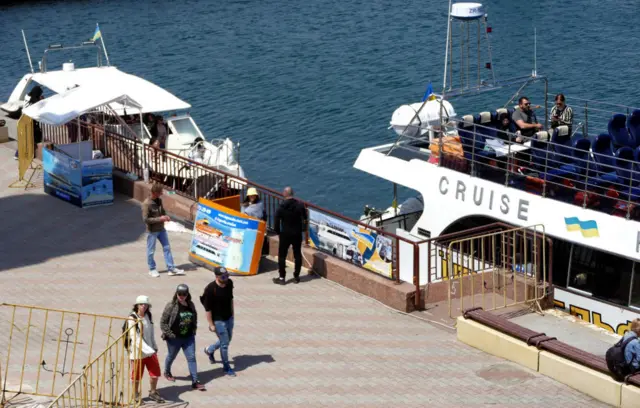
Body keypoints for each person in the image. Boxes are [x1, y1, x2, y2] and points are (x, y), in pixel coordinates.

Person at [160, 284, 205, 390]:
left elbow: (195, 317)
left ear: (187, 294)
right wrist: (170, 335)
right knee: (171, 356)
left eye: (184, 294)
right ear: (176, 293)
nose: (181, 296)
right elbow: (163, 322)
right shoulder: (171, 305)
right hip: (174, 339)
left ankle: (195, 381)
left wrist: (194, 330)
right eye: (179, 294)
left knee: (191, 357)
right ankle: (167, 372)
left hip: (188, 338)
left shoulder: (190, 304)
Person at [142, 183, 185, 278]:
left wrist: (166, 216)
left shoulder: (159, 200)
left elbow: (162, 211)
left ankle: (171, 268)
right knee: (151, 250)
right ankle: (152, 269)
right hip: (152, 231)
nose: (162, 194)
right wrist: (159, 219)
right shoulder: (147, 204)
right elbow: (145, 219)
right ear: (155, 193)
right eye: (160, 192)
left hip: (161, 229)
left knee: (167, 248)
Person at [127, 295, 164, 404]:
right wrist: (149, 350)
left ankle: (153, 392)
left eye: (146, 304)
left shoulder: (148, 315)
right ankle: (136, 395)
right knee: (137, 376)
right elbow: (135, 338)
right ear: (137, 305)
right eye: (141, 304)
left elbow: (151, 333)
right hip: (138, 352)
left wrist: (154, 346)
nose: (144, 306)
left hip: (150, 351)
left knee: (155, 373)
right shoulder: (132, 318)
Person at [202, 266, 236, 377]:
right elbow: (208, 309)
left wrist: (233, 314)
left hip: (229, 317)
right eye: (223, 277)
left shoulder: (229, 283)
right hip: (218, 320)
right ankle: (226, 367)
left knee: (227, 340)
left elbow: (231, 299)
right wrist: (211, 324)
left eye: (227, 276)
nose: (226, 278)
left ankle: (210, 350)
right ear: (217, 277)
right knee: (225, 344)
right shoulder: (211, 289)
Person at [273, 186, 307, 285]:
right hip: (297, 233)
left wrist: (278, 232)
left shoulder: (281, 207)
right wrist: (302, 229)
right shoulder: (300, 205)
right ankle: (296, 276)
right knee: (297, 254)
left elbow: (276, 222)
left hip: (285, 234)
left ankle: (282, 277)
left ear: (285, 193)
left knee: (282, 255)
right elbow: (305, 218)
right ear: (292, 193)